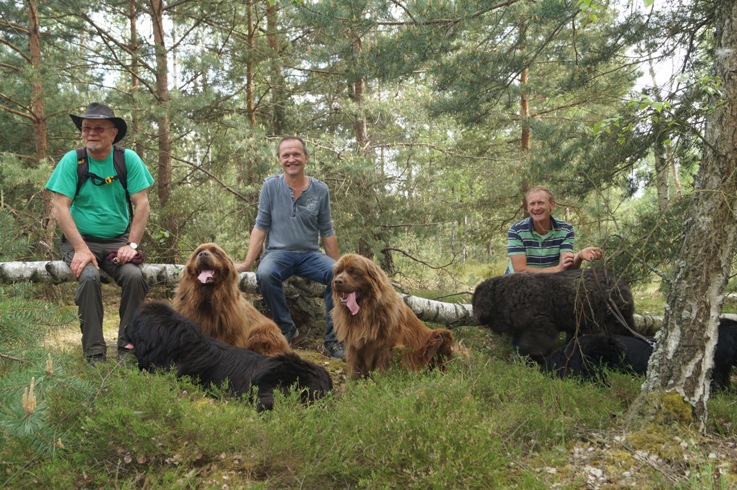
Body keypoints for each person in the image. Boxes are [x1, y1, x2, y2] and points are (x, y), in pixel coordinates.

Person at [45, 102, 154, 363]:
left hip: (118, 242)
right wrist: (80, 249)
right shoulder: (74, 160)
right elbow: (60, 206)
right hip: (79, 241)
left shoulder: (127, 160)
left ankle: (128, 349)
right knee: (90, 277)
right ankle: (94, 353)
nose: (91, 133)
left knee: (134, 277)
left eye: (98, 128)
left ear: (113, 133)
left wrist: (133, 245)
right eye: (86, 128)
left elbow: (142, 204)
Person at [237, 136, 345, 361]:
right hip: (277, 253)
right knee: (265, 274)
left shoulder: (320, 190)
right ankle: (287, 329)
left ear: (305, 158)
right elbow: (260, 227)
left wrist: (340, 267)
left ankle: (333, 341)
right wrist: (247, 263)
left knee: (337, 278)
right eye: (285, 155)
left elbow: (327, 231)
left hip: (310, 255)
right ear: (279, 160)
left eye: (296, 154)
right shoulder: (270, 186)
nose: (291, 159)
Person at [505, 186, 602, 274]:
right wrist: (556, 269)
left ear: (552, 205)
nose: (536, 208)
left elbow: (567, 266)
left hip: (550, 281)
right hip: (517, 283)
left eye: (541, 203)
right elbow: (520, 270)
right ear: (527, 207)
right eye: (532, 204)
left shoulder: (565, 229)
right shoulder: (516, 230)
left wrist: (580, 256)